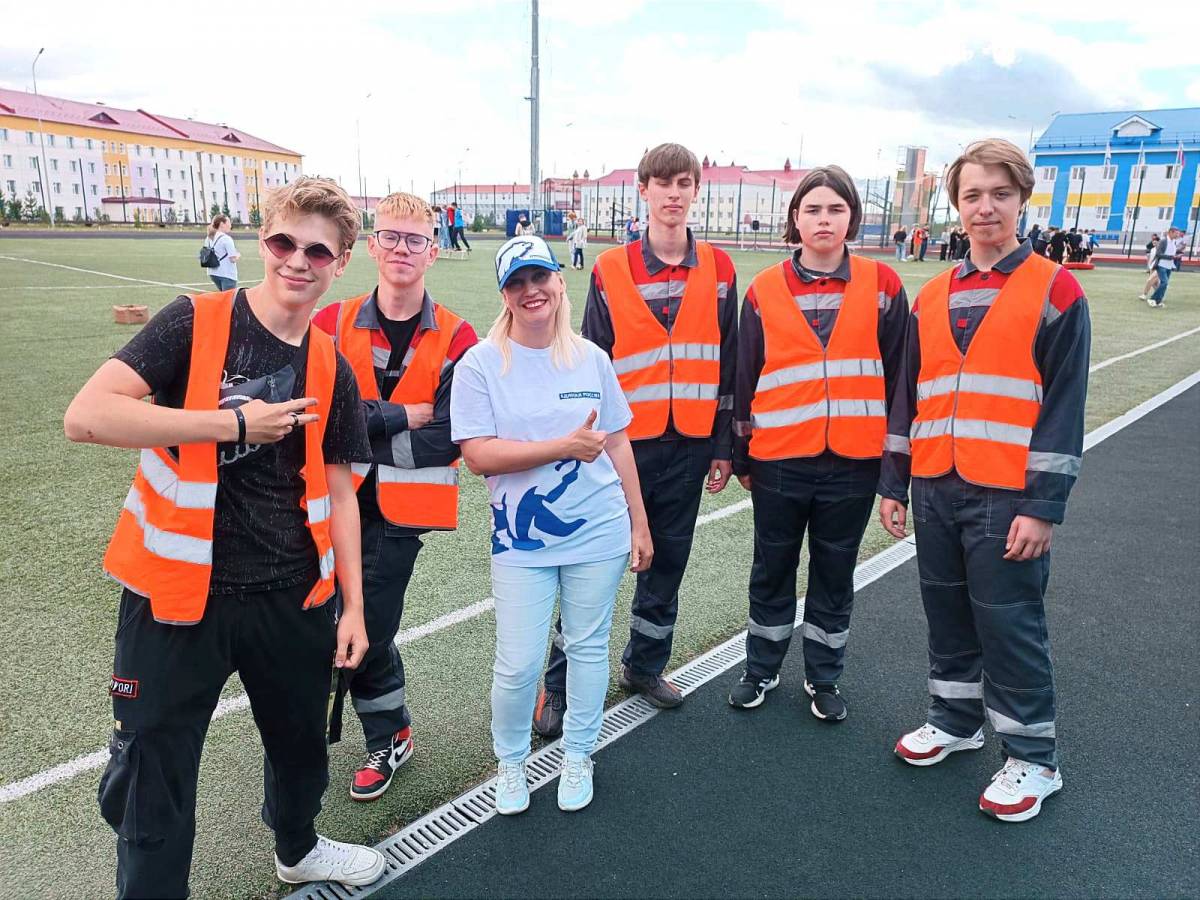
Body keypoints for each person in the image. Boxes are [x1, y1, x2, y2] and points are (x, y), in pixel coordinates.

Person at [64, 177, 387, 896]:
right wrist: (232, 422)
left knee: (301, 750)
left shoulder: (331, 364)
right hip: (178, 601)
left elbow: (341, 491)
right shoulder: (195, 321)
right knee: (153, 772)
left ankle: (298, 849)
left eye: (318, 251)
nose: (297, 260)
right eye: (283, 242)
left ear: (341, 263)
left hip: (292, 599)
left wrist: (354, 608)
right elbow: (85, 416)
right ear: (260, 241)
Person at [879, 138, 1091, 823]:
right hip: (935, 484)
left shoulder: (1056, 290)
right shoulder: (931, 295)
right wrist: (894, 482)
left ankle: (1033, 757)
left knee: (1010, 622)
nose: (986, 207)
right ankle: (955, 719)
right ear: (957, 205)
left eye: (1000, 193)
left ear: (1022, 199)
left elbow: (1064, 407)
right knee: (945, 611)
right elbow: (908, 395)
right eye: (972, 195)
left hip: (1008, 492)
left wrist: (1043, 505)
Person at [533, 143, 738, 733]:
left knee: (666, 562)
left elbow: (728, 362)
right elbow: (589, 364)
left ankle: (644, 666)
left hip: (691, 442)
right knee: (592, 561)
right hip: (622, 446)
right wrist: (589, 439)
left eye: (683, 182)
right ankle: (558, 684)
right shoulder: (610, 268)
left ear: (695, 190)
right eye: (662, 183)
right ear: (643, 191)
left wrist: (723, 445)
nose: (674, 194)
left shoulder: (720, 269)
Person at [451, 235, 652, 814]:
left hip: (599, 531)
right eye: (517, 282)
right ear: (504, 295)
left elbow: (617, 442)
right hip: (521, 538)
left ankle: (579, 754)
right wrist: (562, 446)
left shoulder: (592, 358)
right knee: (518, 664)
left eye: (540, 277)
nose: (531, 291)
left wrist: (639, 522)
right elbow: (478, 456)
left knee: (588, 648)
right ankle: (511, 762)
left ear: (560, 282)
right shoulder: (481, 364)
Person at [312, 193, 479, 801]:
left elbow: (447, 439)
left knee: (368, 627)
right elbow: (315, 414)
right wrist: (398, 415)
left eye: (415, 239)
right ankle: (379, 725)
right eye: (391, 236)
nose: (402, 249)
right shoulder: (329, 323)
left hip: (401, 512)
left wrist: (355, 429)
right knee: (323, 619)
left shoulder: (459, 336)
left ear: (433, 251)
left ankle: (388, 734)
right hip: (326, 502)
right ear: (372, 246)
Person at [727, 165, 908, 716]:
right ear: (796, 219)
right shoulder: (763, 290)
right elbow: (746, 375)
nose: (824, 219)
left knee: (835, 572)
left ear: (852, 216)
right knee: (772, 568)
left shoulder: (884, 286)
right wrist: (741, 454)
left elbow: (900, 379)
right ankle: (761, 669)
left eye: (835, 208)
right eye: (813, 209)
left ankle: (823, 678)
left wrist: (893, 468)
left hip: (854, 462)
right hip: (779, 460)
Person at [1145, 226, 1184, 307]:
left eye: (1178, 233)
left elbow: (1171, 252)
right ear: (1170, 232)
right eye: (1176, 233)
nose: (1178, 235)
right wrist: (1171, 257)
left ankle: (1158, 301)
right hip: (1161, 265)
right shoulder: (1163, 241)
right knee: (1164, 283)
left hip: (1169, 266)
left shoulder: (1174, 242)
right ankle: (1152, 299)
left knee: (1165, 284)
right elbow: (1158, 254)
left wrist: (1178, 253)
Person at [204, 214, 241, 290]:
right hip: (226, 273)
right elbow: (232, 259)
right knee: (229, 296)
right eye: (229, 222)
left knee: (223, 295)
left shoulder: (209, 238)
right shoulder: (226, 239)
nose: (230, 225)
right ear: (222, 224)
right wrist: (238, 255)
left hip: (213, 272)